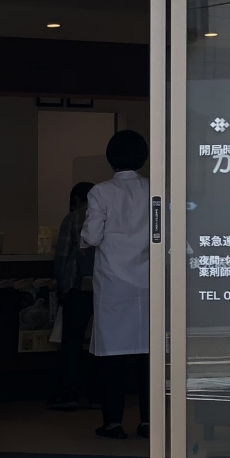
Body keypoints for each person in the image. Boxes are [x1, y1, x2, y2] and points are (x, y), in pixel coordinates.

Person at [81, 130, 150, 439]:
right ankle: (149, 421)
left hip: (113, 282)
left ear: (111, 158)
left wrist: (83, 241)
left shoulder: (101, 192)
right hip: (148, 282)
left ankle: (113, 422)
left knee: (113, 356)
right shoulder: (154, 189)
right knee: (147, 355)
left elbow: (92, 235)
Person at [49, 180, 95, 409]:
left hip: (77, 287)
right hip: (106, 288)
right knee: (100, 344)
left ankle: (69, 395)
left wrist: (62, 287)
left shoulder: (73, 219)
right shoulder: (109, 216)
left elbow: (62, 257)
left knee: (72, 343)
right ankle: (98, 396)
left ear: (76, 200)